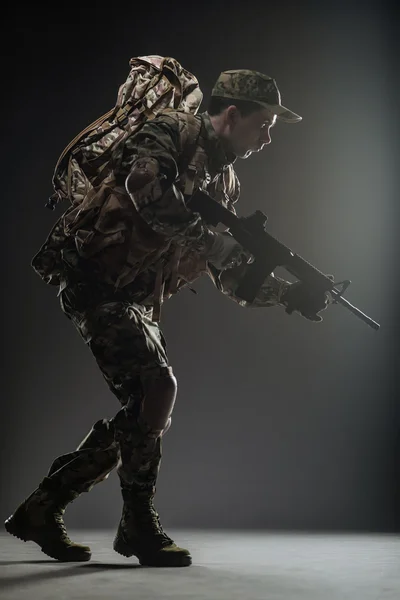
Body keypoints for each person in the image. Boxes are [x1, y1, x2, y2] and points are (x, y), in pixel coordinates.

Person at [4, 69, 329, 567]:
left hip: (139, 296)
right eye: (263, 124)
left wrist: (289, 294)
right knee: (158, 389)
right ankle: (136, 527)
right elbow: (144, 186)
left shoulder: (225, 181)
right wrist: (211, 241)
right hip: (95, 278)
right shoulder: (172, 131)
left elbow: (230, 273)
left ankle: (43, 508)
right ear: (232, 114)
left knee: (146, 409)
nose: (268, 138)